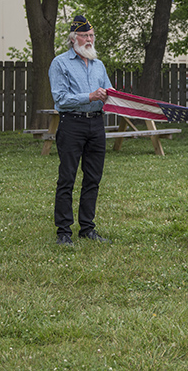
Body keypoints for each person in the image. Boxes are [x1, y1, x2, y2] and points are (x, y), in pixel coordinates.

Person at [48, 15, 113, 246]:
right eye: (85, 36)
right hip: (72, 124)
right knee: (67, 178)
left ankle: (87, 229)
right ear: (73, 38)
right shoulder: (60, 63)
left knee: (93, 178)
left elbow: (108, 91)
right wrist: (90, 96)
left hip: (96, 124)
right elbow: (61, 99)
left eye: (92, 36)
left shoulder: (99, 64)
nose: (89, 40)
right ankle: (63, 232)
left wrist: (115, 97)